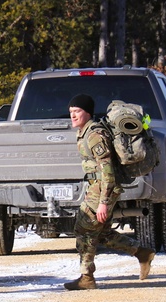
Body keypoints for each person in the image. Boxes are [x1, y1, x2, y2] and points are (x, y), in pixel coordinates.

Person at [64, 94, 155, 290]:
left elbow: (107, 169)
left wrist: (104, 201)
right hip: (97, 187)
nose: (73, 115)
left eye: (77, 111)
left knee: (84, 229)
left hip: (102, 188)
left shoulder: (94, 134)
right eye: (71, 112)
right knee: (102, 234)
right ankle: (142, 253)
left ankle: (86, 277)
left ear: (87, 113)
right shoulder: (85, 132)